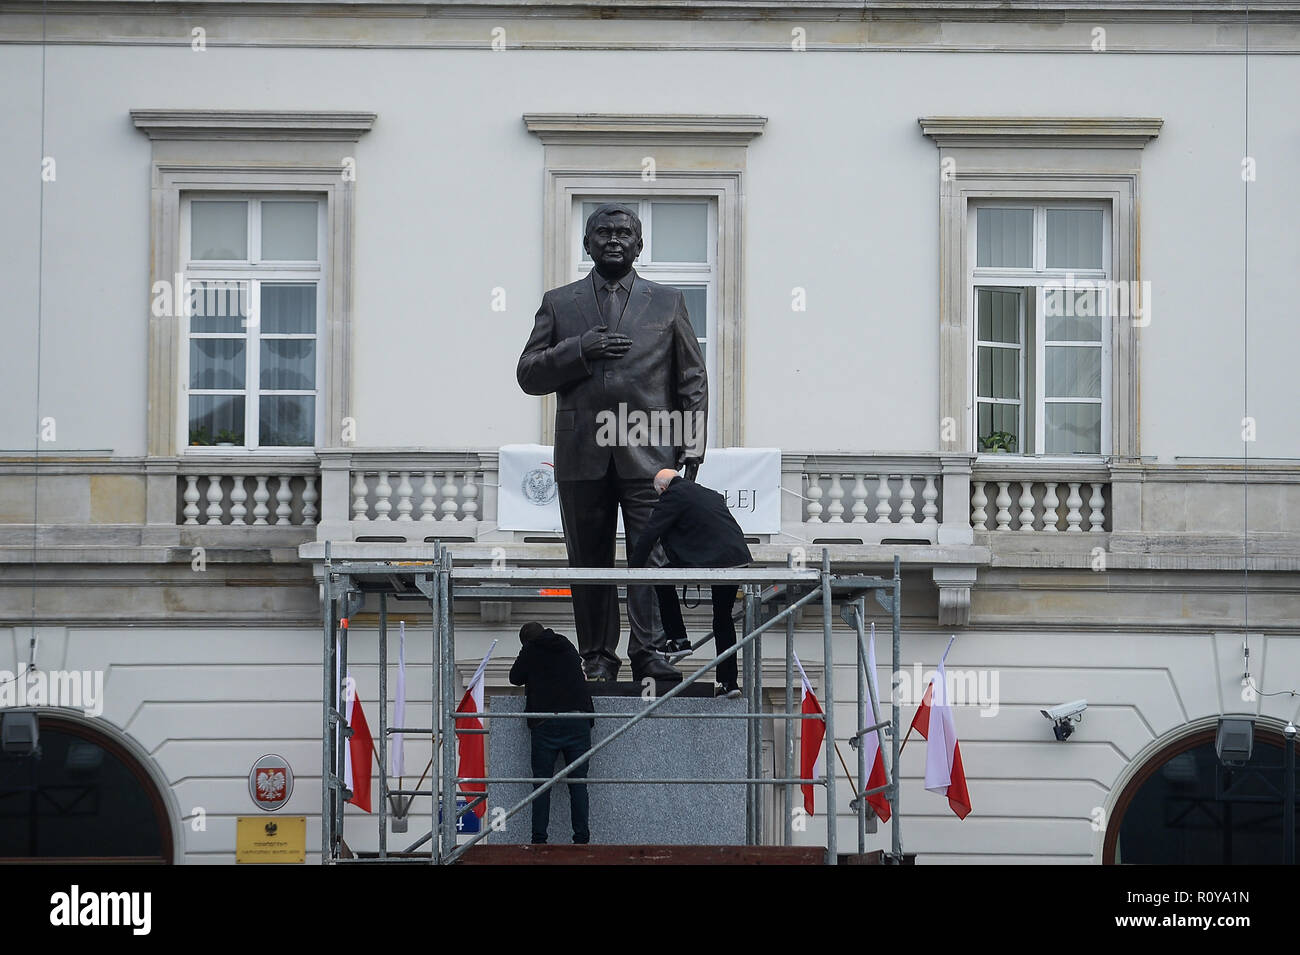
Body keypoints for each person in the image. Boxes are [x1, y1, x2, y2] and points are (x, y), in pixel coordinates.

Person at [517, 202, 708, 685]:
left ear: (639, 244)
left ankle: (649, 649)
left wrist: (693, 446)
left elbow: (691, 378)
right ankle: (598, 654)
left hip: (650, 452)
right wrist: (580, 350)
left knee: (651, 554)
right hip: (582, 452)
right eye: (603, 232)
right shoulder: (560, 303)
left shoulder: (668, 302)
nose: (614, 239)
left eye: (624, 232)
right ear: (587, 244)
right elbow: (529, 374)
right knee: (588, 558)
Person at [627, 469, 753, 698]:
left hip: (711, 560)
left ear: (662, 489)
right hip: (736, 559)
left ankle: (678, 639)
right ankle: (729, 683)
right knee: (722, 620)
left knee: (662, 579)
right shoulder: (707, 493)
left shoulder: (673, 495)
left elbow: (650, 533)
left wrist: (631, 571)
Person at [508, 621, 596, 844]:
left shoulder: (531, 650)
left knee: (542, 784)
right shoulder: (566, 645)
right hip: (577, 721)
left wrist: (526, 651)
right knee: (578, 783)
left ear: (526, 640)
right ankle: (582, 839)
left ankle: (539, 839)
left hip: (546, 723)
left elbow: (515, 677)